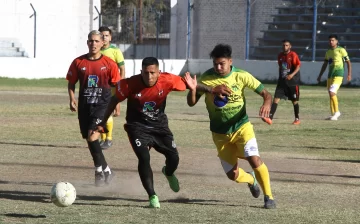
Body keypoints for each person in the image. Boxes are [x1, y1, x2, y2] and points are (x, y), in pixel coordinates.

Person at [96, 57, 230, 208]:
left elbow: (191, 84)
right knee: (144, 157)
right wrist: (102, 121)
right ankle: (152, 195)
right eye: (146, 73)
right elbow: (114, 100)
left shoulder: (167, 79)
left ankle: (168, 172)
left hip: (160, 127)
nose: (149, 76)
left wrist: (212, 90)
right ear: (141, 72)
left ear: (159, 72)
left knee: (174, 158)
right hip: (137, 127)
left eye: (153, 73)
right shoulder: (129, 84)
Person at [186, 44, 276, 209]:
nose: (218, 67)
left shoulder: (241, 76)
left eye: (222, 64)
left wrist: (267, 104)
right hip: (220, 134)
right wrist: (194, 89)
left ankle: (268, 196)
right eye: (215, 64)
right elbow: (191, 103)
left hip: (242, 127)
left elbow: (266, 93)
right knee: (232, 175)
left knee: (254, 159)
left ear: (230, 61)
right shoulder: (206, 78)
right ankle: (250, 179)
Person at [66, 30, 120, 187]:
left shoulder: (109, 64)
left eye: (97, 41)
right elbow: (71, 82)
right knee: (90, 140)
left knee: (92, 137)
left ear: (102, 43)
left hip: (102, 106)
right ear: (87, 42)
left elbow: (117, 87)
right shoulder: (78, 62)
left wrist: (116, 106)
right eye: (91, 41)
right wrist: (72, 99)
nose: (94, 44)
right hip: (84, 107)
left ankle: (99, 171)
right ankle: (107, 171)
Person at [98, 26, 126, 149]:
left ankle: (108, 139)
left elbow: (122, 68)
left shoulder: (115, 51)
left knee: (108, 112)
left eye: (106, 35)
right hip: (99, 86)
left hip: (112, 86)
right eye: (102, 35)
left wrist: (120, 84)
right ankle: (102, 139)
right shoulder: (96, 51)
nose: (104, 37)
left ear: (110, 37)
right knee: (99, 113)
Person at [262, 39, 301, 125]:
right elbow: (281, 67)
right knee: (276, 99)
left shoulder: (293, 55)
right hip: (282, 82)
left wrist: (291, 75)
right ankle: (270, 118)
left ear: (290, 46)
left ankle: (297, 119)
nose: (285, 47)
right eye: (284, 45)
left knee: (294, 100)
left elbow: (298, 66)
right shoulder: (280, 56)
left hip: (292, 82)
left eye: (287, 45)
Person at [317, 34, 352, 120]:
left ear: (336, 41)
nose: (331, 42)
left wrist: (349, 74)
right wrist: (320, 75)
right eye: (330, 40)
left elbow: (348, 62)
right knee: (330, 94)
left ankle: (337, 112)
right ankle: (333, 114)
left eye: (333, 40)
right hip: (330, 75)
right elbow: (325, 64)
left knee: (332, 92)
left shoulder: (341, 50)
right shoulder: (328, 52)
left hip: (339, 74)